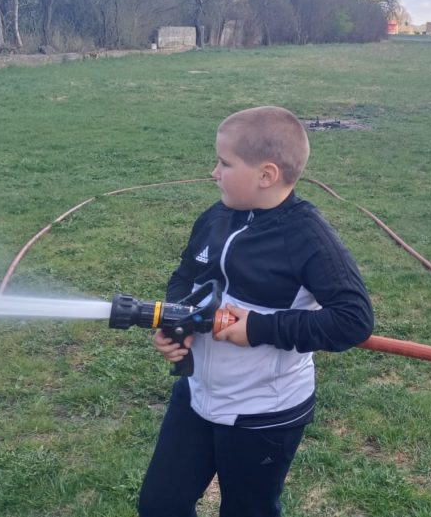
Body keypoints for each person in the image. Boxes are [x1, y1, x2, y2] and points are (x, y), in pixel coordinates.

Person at [138, 105, 374, 517]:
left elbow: (353, 319)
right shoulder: (216, 217)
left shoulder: (307, 236)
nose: (213, 172)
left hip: (264, 412)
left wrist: (261, 328)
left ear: (266, 175)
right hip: (196, 396)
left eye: (225, 163)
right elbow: (184, 275)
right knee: (161, 504)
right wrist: (177, 321)